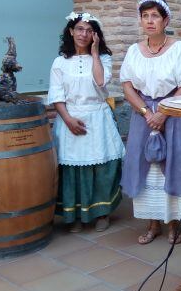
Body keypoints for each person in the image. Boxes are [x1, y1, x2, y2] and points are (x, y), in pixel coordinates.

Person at [120, 0, 181, 245]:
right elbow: (128, 87)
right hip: (143, 117)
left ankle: (174, 224)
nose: (150, 21)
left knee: (172, 165)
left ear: (165, 20)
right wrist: (147, 113)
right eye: (145, 16)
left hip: (172, 115)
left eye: (155, 16)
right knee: (147, 169)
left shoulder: (179, 49)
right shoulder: (134, 51)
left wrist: (164, 112)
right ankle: (152, 224)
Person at [48, 12, 125, 233]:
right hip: (70, 117)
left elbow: (100, 81)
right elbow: (56, 95)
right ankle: (76, 217)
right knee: (72, 168)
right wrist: (68, 119)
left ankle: (102, 213)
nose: (84, 34)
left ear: (95, 35)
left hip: (97, 117)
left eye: (89, 30)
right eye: (80, 29)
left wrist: (94, 54)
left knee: (101, 166)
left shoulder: (103, 59)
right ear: (71, 31)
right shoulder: (60, 62)